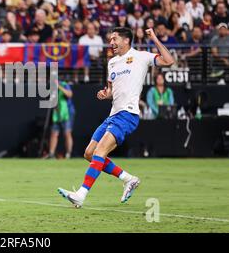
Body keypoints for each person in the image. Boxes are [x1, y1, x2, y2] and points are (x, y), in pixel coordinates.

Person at [58, 27, 174, 208]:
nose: (111, 42)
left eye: (114, 39)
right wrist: (106, 94)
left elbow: (169, 60)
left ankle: (81, 194)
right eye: (110, 39)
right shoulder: (112, 63)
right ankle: (128, 179)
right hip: (113, 114)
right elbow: (112, 91)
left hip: (128, 114)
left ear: (126, 40)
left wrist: (154, 39)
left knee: (100, 152)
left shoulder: (141, 56)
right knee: (89, 154)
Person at [46, 80, 74, 159]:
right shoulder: (51, 87)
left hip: (67, 113)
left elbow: (70, 94)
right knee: (54, 133)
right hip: (57, 113)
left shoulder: (64, 84)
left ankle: (68, 154)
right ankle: (51, 154)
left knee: (67, 133)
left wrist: (59, 87)